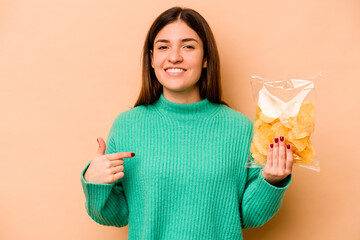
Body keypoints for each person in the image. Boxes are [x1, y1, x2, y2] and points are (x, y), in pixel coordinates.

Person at [81, 6, 293, 239]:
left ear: (205, 59)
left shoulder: (240, 128)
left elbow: (247, 217)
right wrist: (94, 183)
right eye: (163, 47)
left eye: (188, 46)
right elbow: (117, 215)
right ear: (152, 59)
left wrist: (271, 181)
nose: (174, 56)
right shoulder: (127, 126)